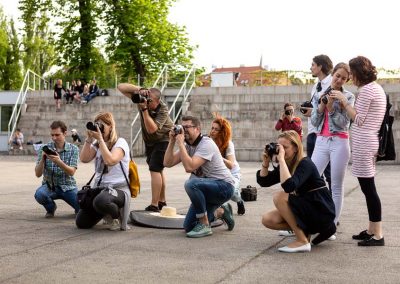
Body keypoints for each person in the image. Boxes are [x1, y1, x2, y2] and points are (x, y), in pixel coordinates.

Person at [330, 56, 386, 246]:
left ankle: (377, 234)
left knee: (369, 188)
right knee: (367, 187)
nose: (351, 78)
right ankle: (371, 229)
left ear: (358, 73)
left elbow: (359, 119)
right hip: (368, 142)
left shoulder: (367, 90)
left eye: (352, 74)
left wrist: (344, 102)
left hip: (365, 143)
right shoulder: (375, 88)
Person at [257, 130, 336, 253]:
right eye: (279, 147)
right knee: (268, 219)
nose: (281, 150)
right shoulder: (287, 165)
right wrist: (266, 162)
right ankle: (305, 231)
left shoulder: (305, 163)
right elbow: (264, 181)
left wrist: (281, 160)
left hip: (320, 210)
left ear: (295, 148)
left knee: (279, 196)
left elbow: (289, 187)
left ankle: (302, 241)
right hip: (307, 209)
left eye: (285, 147)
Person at [163, 115, 236, 238]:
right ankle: (221, 211)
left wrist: (180, 144)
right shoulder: (188, 146)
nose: (184, 130)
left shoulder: (206, 144)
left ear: (197, 129)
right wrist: (171, 142)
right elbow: (167, 163)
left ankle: (204, 224)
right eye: (182, 127)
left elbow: (189, 167)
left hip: (224, 187)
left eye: (187, 127)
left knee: (191, 184)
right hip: (208, 189)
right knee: (189, 226)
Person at [310, 63, 355, 232]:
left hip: (339, 142)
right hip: (321, 141)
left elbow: (344, 123)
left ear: (347, 80)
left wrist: (332, 108)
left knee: (336, 185)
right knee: (309, 178)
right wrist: (322, 106)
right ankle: (305, 219)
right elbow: (314, 122)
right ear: (333, 74)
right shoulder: (320, 92)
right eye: (337, 75)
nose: (339, 80)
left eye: (343, 78)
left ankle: (332, 225)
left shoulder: (348, 97)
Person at [118, 83, 173, 212]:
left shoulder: (163, 109)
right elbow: (121, 87)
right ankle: (162, 201)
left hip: (164, 139)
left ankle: (154, 205)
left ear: (158, 101)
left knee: (154, 169)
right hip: (150, 142)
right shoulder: (141, 100)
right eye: (146, 99)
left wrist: (144, 110)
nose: (147, 103)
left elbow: (152, 129)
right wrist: (140, 90)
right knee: (158, 171)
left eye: (150, 101)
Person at [76, 112, 131, 231]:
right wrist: (89, 139)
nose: (99, 127)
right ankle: (104, 212)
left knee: (101, 201)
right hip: (100, 189)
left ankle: (116, 217)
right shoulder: (97, 144)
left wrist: (100, 139)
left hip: (118, 189)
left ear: (111, 126)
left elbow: (110, 160)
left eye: (102, 125)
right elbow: (84, 159)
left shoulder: (120, 143)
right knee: (81, 223)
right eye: (97, 124)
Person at [34, 121, 80, 217]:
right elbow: (38, 174)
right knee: (39, 195)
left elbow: (71, 172)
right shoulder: (44, 148)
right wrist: (42, 159)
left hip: (68, 186)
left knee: (82, 207)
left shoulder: (73, 149)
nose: (54, 138)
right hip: (50, 186)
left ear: (65, 133)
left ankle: (78, 209)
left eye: (57, 135)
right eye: (52, 135)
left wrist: (58, 161)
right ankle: (51, 208)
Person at [209, 116, 245, 215]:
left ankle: (240, 200)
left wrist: (217, 155)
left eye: (216, 129)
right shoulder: (208, 142)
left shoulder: (228, 144)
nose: (213, 131)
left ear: (222, 132)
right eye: (212, 128)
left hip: (232, 173)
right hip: (218, 173)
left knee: (232, 193)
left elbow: (231, 165)